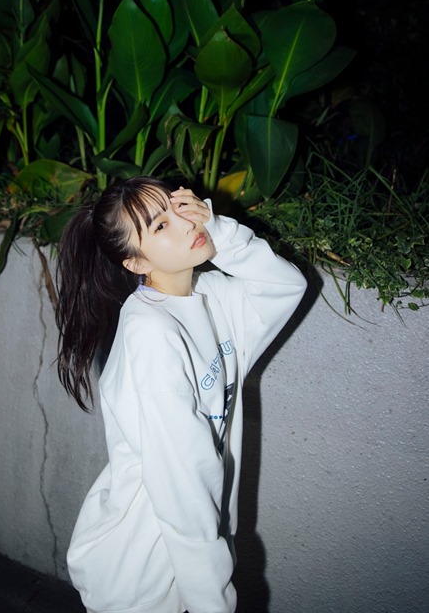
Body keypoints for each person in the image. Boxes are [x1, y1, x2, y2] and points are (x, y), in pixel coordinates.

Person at [55, 176, 307, 613]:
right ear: (136, 262)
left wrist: (220, 229)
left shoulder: (211, 296)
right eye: (160, 226)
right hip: (143, 572)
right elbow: (182, 482)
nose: (186, 224)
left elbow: (286, 286)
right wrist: (213, 599)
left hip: (187, 559)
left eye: (179, 209)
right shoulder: (151, 335)